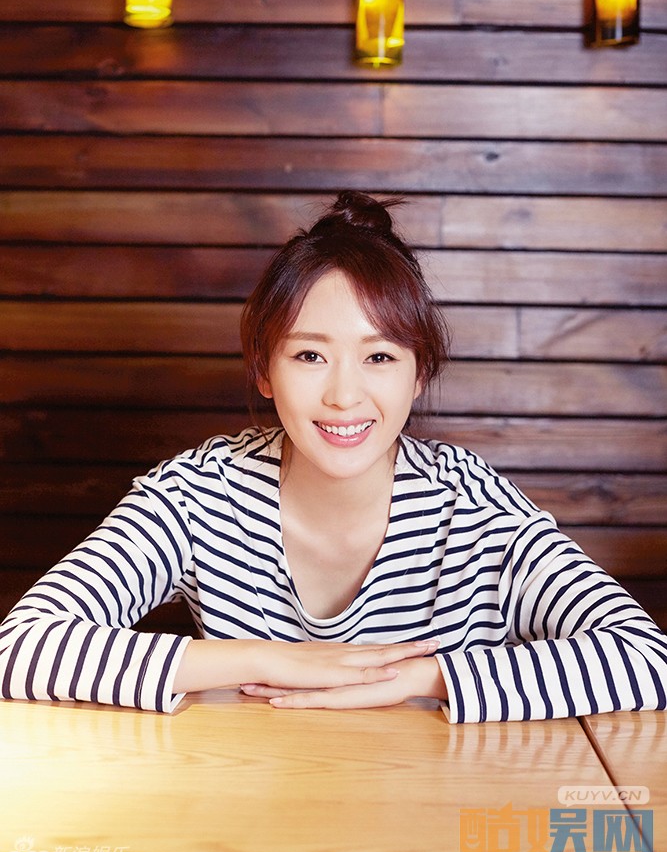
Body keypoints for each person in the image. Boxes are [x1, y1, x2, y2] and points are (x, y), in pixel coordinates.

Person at [1, 191, 666, 722]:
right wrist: (267, 659)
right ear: (264, 370)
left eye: (379, 357)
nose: (344, 395)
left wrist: (426, 678)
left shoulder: (474, 508)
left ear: (419, 374)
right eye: (309, 354)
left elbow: (645, 658)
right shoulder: (198, 494)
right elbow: (20, 644)